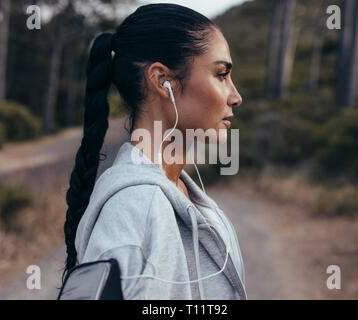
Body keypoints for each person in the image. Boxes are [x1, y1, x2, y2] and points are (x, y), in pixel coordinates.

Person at [62, 3, 246, 300]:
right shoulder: (133, 208)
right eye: (222, 74)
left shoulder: (180, 190)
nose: (236, 97)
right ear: (163, 80)